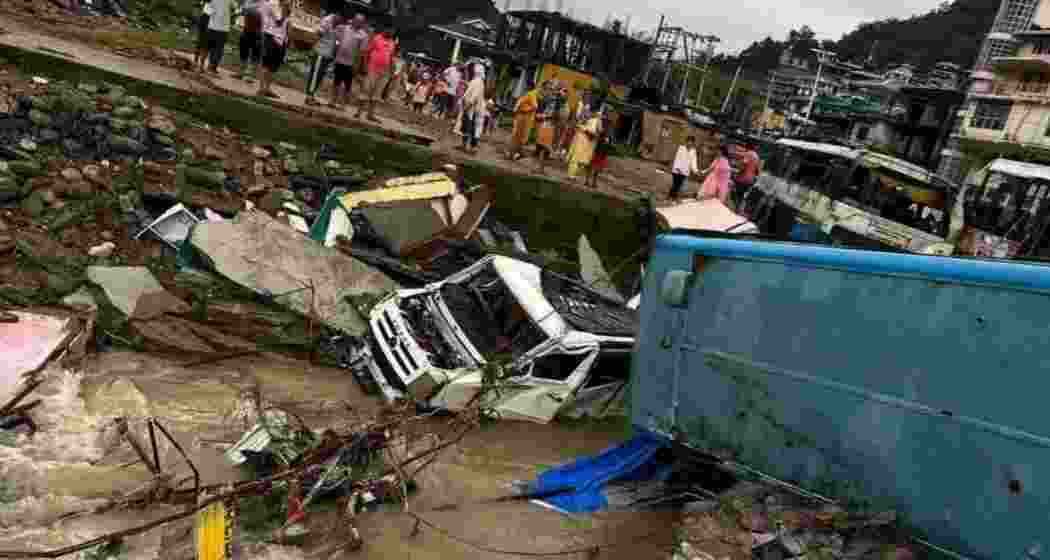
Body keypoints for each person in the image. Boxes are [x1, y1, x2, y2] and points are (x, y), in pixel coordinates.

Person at [303, 10, 344, 106]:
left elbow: (336, 41)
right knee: (315, 75)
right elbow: (317, 34)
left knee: (319, 77)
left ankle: (312, 96)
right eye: (340, 19)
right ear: (336, 15)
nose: (340, 22)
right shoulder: (327, 21)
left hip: (327, 55)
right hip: (320, 53)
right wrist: (312, 49)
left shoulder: (338, 25)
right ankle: (309, 97)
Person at [355, 27, 395, 122]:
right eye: (389, 30)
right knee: (366, 90)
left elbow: (391, 56)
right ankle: (359, 112)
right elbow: (366, 52)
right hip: (372, 69)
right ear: (385, 30)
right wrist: (364, 65)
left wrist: (392, 69)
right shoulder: (376, 38)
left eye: (392, 32)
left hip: (384, 72)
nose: (391, 33)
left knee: (377, 94)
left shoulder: (392, 43)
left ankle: (370, 114)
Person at [330, 14, 368, 109]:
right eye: (357, 20)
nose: (358, 22)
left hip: (351, 63)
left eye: (360, 21)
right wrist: (334, 54)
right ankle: (333, 100)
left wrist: (357, 65)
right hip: (339, 60)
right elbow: (337, 40)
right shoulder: (345, 28)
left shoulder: (363, 35)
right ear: (353, 20)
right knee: (336, 81)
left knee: (348, 84)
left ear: (362, 23)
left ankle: (343, 104)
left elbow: (361, 52)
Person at [256, 0, 292, 99]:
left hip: (281, 39)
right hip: (271, 36)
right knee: (266, 63)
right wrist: (285, 11)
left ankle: (267, 89)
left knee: (274, 66)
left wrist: (287, 40)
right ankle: (261, 88)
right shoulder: (273, 4)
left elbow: (286, 24)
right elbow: (279, 22)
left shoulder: (285, 6)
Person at [567, 105, 600, 179]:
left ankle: (574, 175)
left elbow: (595, 134)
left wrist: (586, 130)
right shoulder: (585, 119)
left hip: (587, 143)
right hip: (580, 140)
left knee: (583, 161)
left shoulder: (596, 121)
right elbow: (577, 125)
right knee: (575, 158)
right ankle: (571, 175)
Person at [459, 63, 486, 154]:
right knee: (466, 127)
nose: (473, 71)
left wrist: (467, 106)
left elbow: (474, 96)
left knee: (471, 128)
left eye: (474, 69)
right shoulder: (476, 80)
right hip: (470, 107)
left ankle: (471, 148)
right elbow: (469, 89)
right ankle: (464, 146)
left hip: (473, 109)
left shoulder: (478, 81)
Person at [508, 83, 538, 160]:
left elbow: (535, 106)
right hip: (521, 116)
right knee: (517, 136)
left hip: (524, 117)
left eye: (528, 85)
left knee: (517, 136)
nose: (526, 86)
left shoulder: (531, 94)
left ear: (530, 86)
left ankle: (514, 154)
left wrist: (524, 110)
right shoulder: (529, 93)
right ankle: (515, 153)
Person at [237, 0, 263, 81]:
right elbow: (242, 12)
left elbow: (264, 18)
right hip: (246, 30)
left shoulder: (264, 4)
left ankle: (250, 75)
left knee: (255, 55)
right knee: (243, 52)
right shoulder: (248, 1)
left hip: (258, 32)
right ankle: (240, 73)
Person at [534, 82, 556, 174]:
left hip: (549, 125)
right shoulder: (544, 99)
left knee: (545, 148)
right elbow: (539, 113)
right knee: (542, 147)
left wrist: (543, 116)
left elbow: (553, 114)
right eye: (548, 89)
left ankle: (541, 168)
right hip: (545, 124)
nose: (549, 91)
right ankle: (540, 168)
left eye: (550, 89)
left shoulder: (552, 100)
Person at [669, 136, 699, 201]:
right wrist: (678, 168)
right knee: (675, 184)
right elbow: (677, 158)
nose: (689, 143)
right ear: (686, 141)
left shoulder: (693, 151)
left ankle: (673, 197)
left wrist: (695, 171)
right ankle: (671, 197)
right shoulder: (681, 148)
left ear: (693, 143)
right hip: (677, 170)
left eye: (691, 142)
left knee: (680, 185)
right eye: (688, 142)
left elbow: (693, 162)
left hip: (685, 171)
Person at [588, 123, 611, 189]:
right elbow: (597, 140)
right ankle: (588, 181)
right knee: (592, 167)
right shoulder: (601, 135)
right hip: (598, 153)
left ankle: (593, 182)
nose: (608, 130)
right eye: (607, 128)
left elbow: (608, 146)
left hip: (603, 155)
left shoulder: (609, 137)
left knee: (597, 170)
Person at [194, 0, 212, 71]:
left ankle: (201, 64)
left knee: (206, 42)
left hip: (213, 18)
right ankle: (196, 61)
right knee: (200, 40)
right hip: (206, 17)